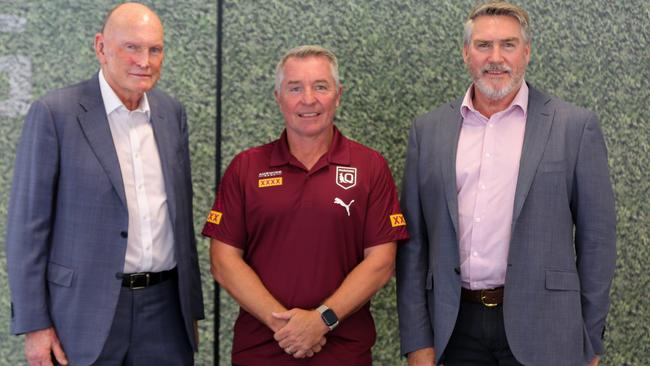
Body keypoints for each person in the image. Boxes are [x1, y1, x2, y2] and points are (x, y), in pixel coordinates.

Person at [396, 1, 616, 365]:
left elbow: (597, 242)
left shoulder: (574, 126)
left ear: (527, 52)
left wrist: (590, 341)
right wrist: (418, 341)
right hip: (453, 330)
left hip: (547, 329)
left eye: (508, 45)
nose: (495, 57)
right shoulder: (428, 130)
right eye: (483, 45)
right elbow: (413, 245)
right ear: (466, 52)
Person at [5, 3, 204, 365]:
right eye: (132, 47)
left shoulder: (171, 113)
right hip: (82, 315)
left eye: (155, 49)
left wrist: (190, 309)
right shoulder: (55, 113)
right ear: (101, 47)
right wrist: (35, 325)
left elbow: (181, 220)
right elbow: (27, 229)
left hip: (165, 314)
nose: (145, 60)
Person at [202, 45, 409, 365]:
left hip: (343, 353)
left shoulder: (370, 167)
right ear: (277, 97)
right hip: (261, 351)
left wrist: (321, 320)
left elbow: (381, 263)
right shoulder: (246, 167)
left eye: (321, 86)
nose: (308, 99)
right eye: (295, 88)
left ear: (338, 95)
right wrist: (286, 328)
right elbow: (223, 261)